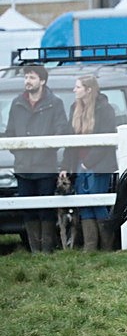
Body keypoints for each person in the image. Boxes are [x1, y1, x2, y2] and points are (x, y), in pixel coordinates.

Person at [5, 65, 70, 253]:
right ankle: (35, 250)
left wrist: (44, 151)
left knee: (46, 209)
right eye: (26, 77)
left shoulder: (54, 103)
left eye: (32, 77)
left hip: (45, 165)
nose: (27, 81)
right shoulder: (17, 103)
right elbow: (10, 132)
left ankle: (47, 250)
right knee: (28, 209)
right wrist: (18, 152)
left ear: (42, 81)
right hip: (23, 166)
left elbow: (61, 130)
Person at [59, 75, 117, 251]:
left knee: (97, 202)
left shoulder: (105, 109)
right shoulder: (74, 108)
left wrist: (88, 163)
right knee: (84, 203)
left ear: (89, 89)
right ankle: (90, 247)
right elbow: (70, 141)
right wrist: (65, 166)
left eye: (78, 87)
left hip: (99, 164)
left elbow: (107, 140)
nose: (74, 90)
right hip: (79, 162)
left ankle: (107, 246)